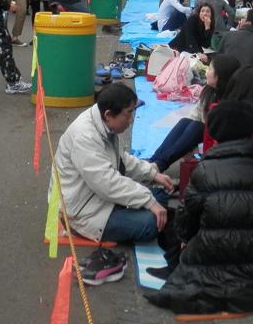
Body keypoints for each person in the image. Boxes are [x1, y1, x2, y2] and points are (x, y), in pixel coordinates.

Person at [143, 100, 253, 314]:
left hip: (210, 255)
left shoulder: (206, 169)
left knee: (175, 219)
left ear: (216, 132)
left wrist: (186, 240)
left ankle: (177, 269)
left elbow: (187, 222)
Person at [52, 83, 174, 246]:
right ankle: (89, 228)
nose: (131, 120)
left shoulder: (102, 123)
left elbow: (120, 159)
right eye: (129, 113)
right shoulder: (85, 137)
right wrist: (148, 201)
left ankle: (133, 211)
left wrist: (152, 174)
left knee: (160, 196)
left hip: (98, 197)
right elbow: (106, 183)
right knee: (150, 223)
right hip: (82, 212)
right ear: (109, 114)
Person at [147, 55, 242, 173]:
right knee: (185, 122)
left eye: (211, 69)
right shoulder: (210, 92)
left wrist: (196, 144)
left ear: (221, 76)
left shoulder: (232, 102)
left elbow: (222, 133)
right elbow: (194, 115)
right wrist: (188, 143)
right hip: (204, 134)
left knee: (197, 126)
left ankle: (159, 165)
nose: (207, 72)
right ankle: (153, 161)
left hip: (221, 141)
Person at [204, 67, 253, 161]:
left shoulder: (216, 110)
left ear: (232, 87)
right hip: (252, 170)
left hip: (216, 166)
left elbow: (207, 146)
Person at [218, 8, 253, 84]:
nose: (240, 20)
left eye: (243, 18)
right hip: (250, 90)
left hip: (226, 87)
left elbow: (217, 63)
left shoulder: (228, 36)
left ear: (248, 22)